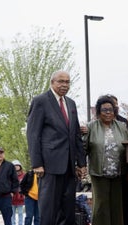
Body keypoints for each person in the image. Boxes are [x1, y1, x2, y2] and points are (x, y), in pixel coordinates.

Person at [27, 70, 87, 225]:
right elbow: (33, 134)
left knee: (68, 211)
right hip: (48, 167)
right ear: (52, 82)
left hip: (69, 167)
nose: (64, 85)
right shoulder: (40, 101)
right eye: (61, 81)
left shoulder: (71, 103)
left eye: (67, 82)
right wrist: (37, 163)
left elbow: (75, 136)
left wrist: (81, 163)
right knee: (49, 211)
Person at [84, 95, 128, 225]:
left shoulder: (122, 126)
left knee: (116, 206)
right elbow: (84, 148)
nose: (108, 113)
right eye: (104, 110)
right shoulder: (91, 127)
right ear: (99, 111)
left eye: (111, 109)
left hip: (118, 173)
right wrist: (81, 166)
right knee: (101, 205)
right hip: (99, 173)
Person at [107, 94, 128, 225]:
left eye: (114, 105)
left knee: (125, 205)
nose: (112, 108)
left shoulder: (125, 124)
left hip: (125, 174)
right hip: (105, 174)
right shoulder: (95, 125)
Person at [11, 160, 25, 225]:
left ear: (20, 166)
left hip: (20, 197)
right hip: (12, 197)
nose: (16, 167)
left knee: (20, 213)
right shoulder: (10, 175)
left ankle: (20, 223)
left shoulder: (24, 175)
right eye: (14, 166)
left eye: (17, 165)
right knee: (12, 213)